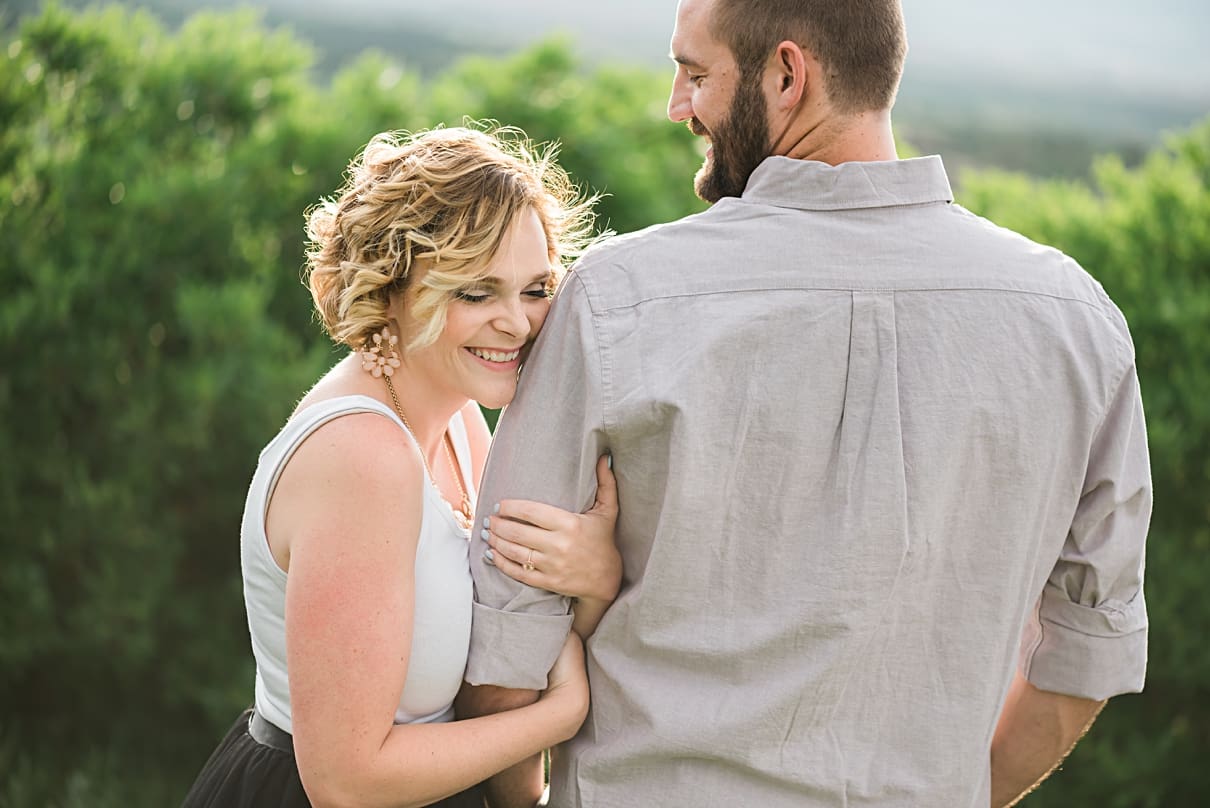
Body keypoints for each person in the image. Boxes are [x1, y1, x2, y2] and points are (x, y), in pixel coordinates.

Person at [461, 1, 1152, 806]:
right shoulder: (1077, 323)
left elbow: (507, 648)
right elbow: (1087, 657)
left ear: (788, 75)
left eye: (694, 73)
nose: (678, 106)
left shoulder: (618, 301)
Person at [182, 125, 622, 808]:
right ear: (390, 287)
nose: (519, 322)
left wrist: (591, 578)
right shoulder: (363, 456)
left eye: (536, 288)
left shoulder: (462, 422)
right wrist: (557, 719)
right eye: (476, 293)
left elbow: (499, 641)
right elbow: (347, 779)